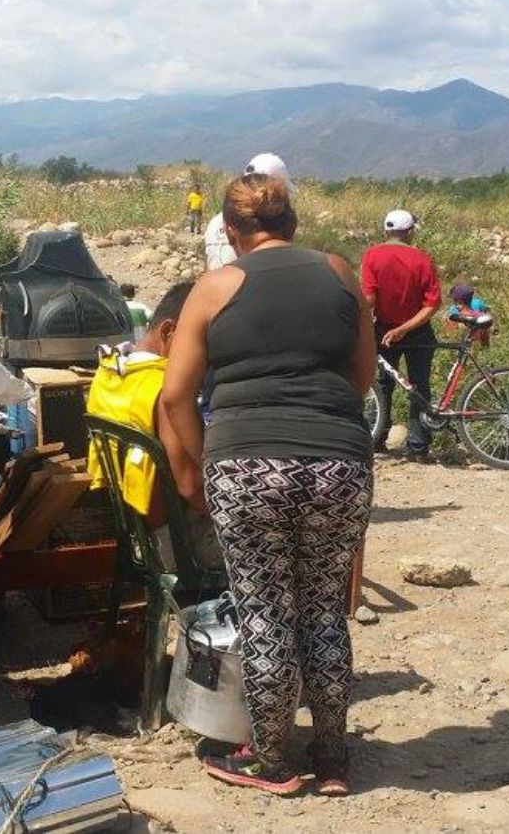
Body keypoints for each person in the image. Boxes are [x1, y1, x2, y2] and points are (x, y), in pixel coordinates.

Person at [159, 172, 375, 798]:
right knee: (325, 609)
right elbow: (360, 377)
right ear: (294, 225)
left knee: (265, 613)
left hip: (247, 465)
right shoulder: (338, 273)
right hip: (338, 461)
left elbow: (175, 395)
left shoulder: (214, 286)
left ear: (230, 232)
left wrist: (201, 468)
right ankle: (333, 757)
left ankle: (271, 758)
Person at [86, 283, 220, 571]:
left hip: (135, 530)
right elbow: (190, 487)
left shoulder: (108, 374)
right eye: (201, 342)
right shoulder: (164, 392)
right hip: (177, 543)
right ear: (169, 332)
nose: (206, 357)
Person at [360, 209, 441, 458]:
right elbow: (432, 305)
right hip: (418, 331)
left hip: (384, 330)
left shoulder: (372, 256)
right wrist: (405, 328)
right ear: (410, 232)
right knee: (419, 387)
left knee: (382, 385)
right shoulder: (423, 259)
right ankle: (419, 446)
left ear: (386, 231)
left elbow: (369, 298)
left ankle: (377, 439)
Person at [446, 281, 492, 346]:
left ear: (458, 301)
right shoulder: (481, 315)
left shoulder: (455, 315)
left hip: (463, 348)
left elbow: (450, 334)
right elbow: (487, 310)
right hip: (480, 348)